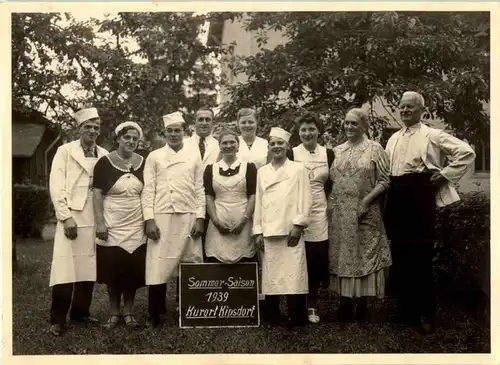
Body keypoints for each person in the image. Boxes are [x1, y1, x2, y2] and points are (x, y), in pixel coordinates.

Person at [384, 91, 476, 334]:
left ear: (421, 111)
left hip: (420, 193)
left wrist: (445, 175)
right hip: (397, 194)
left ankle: (426, 313)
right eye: (402, 107)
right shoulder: (393, 138)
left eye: (410, 107)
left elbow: (466, 152)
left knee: (421, 256)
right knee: (401, 254)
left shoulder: (432, 134)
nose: (404, 111)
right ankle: (406, 312)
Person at [48, 107, 108, 336]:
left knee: (87, 266)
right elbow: (57, 185)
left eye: (96, 127)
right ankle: (57, 319)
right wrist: (65, 216)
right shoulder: (65, 151)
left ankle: (80, 313)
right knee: (65, 267)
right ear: (79, 128)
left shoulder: (103, 154)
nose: (92, 131)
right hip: (72, 215)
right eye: (88, 127)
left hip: (93, 216)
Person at [328, 108, 392, 324]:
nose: (348, 127)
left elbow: (385, 180)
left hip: (366, 211)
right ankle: (345, 304)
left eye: (354, 123)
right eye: (346, 123)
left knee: (364, 254)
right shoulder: (337, 150)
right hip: (341, 213)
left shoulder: (375, 149)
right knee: (343, 257)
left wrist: (365, 202)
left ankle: (363, 304)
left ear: (364, 125)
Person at [141, 111, 205, 328]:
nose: (174, 134)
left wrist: (200, 217)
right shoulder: (155, 156)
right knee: (159, 263)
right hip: (162, 215)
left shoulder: (194, 154)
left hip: (188, 214)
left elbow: (199, 188)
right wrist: (149, 219)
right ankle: (155, 313)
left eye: (178, 130)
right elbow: (148, 190)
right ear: (164, 133)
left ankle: (187, 306)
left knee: (190, 260)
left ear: (184, 132)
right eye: (170, 131)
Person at [254, 127, 312, 328]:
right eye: (273, 143)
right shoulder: (262, 171)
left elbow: (305, 199)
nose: (276, 147)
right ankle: (273, 314)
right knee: (272, 274)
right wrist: (258, 230)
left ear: (287, 146)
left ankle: (297, 316)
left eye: (280, 143)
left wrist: (298, 225)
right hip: (269, 231)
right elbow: (259, 203)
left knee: (294, 273)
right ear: (268, 147)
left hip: (290, 230)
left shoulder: (298, 169)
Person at [93, 121, 146, 329]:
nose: (131, 141)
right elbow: (97, 193)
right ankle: (114, 313)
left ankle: (129, 312)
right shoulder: (104, 163)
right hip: (112, 222)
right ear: (118, 139)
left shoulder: (144, 161)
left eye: (134, 138)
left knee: (131, 270)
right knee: (113, 271)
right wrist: (100, 223)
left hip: (136, 222)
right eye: (127, 137)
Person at [289, 112, 334, 324]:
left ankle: (312, 303)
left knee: (316, 259)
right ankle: (296, 303)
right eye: (303, 130)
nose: (307, 133)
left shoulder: (328, 154)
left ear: (319, 131)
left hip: (319, 212)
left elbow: (331, 186)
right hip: (297, 211)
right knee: (298, 257)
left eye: (311, 129)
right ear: (299, 133)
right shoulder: (292, 153)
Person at [203, 129, 257, 263]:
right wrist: (216, 221)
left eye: (232, 142)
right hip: (218, 224)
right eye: (224, 143)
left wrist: (243, 222)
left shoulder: (249, 167)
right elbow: (208, 196)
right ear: (219, 147)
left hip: (243, 224)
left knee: (244, 268)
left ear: (238, 145)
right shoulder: (210, 169)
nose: (228, 146)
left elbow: (253, 195)